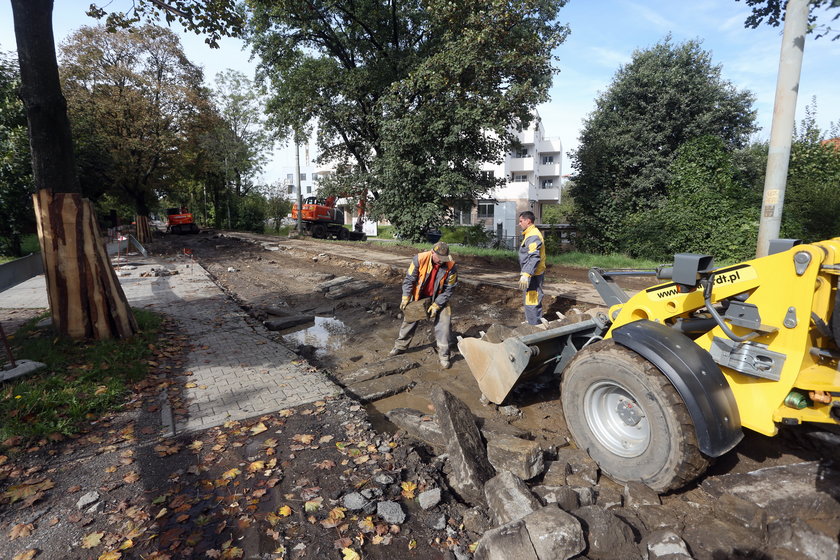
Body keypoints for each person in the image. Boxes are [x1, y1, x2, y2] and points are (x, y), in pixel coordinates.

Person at [389, 241, 458, 369]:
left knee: (444, 324)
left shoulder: (451, 266)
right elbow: (409, 279)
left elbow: (449, 289)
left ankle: (444, 356)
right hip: (419, 295)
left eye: (444, 259)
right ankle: (400, 346)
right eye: (439, 258)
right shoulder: (419, 259)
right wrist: (405, 297)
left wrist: (437, 304)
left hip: (439, 297)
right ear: (432, 253)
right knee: (409, 319)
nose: (441, 261)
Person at [518, 211, 546, 325]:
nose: (519, 224)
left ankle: (533, 326)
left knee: (531, 301)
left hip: (533, 274)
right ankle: (533, 322)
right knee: (531, 300)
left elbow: (534, 257)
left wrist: (526, 274)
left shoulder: (533, 235)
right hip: (533, 273)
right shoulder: (531, 233)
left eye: (521, 221)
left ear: (528, 221)